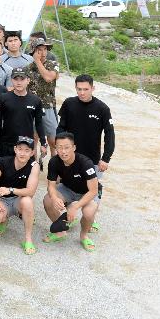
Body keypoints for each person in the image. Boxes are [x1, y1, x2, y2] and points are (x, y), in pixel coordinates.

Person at [56, 74, 115, 233]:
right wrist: (60, 148)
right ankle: (68, 215)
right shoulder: (69, 103)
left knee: (92, 191)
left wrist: (106, 158)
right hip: (69, 157)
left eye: (86, 89)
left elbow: (109, 134)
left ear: (93, 88)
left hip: (92, 159)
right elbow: (61, 128)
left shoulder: (102, 108)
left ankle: (90, 218)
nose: (82, 92)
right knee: (65, 186)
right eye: (79, 89)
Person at [42, 132, 100, 251]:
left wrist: (75, 207)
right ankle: (61, 230)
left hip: (86, 192)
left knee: (89, 212)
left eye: (67, 147)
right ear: (55, 147)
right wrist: (54, 198)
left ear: (74, 147)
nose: (63, 151)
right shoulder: (54, 161)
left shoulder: (85, 163)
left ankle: (84, 236)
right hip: (68, 188)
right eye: (60, 147)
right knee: (48, 200)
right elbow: (51, 186)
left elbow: (93, 191)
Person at [0, 136, 39, 254]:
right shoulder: (1, 162)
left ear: (32, 152)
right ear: (15, 149)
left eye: (27, 150)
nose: (22, 153)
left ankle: (28, 239)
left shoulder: (34, 166)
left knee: (27, 201)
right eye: (20, 149)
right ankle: (4, 219)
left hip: (19, 199)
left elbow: (30, 191)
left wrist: (10, 190)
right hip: (2, 199)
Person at [0, 67, 45, 158]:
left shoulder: (35, 100)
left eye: (22, 79)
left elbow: (39, 123)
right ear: (11, 80)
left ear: (28, 80)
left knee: (26, 171)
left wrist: (43, 142)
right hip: (7, 143)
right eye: (16, 79)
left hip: (26, 144)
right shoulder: (3, 98)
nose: (19, 82)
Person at [27, 38, 59, 153]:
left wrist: (38, 61)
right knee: (33, 139)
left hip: (48, 106)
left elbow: (48, 77)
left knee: (54, 139)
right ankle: (34, 164)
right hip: (32, 107)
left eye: (45, 49)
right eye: (39, 50)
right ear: (34, 51)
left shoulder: (53, 65)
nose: (43, 52)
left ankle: (54, 163)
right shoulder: (28, 68)